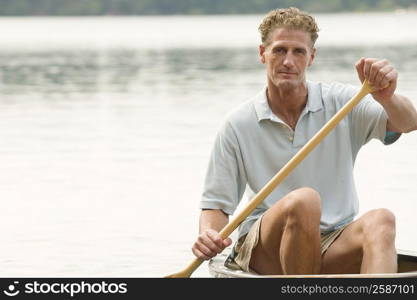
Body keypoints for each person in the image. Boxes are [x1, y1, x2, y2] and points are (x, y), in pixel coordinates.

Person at [192, 7, 417, 275]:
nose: (288, 61)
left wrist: (386, 97)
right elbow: (216, 204)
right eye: (279, 50)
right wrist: (208, 235)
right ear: (262, 53)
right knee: (304, 201)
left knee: (382, 220)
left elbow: (408, 122)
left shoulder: (343, 102)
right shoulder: (238, 123)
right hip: (263, 249)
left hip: (331, 241)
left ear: (311, 57)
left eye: (298, 52)